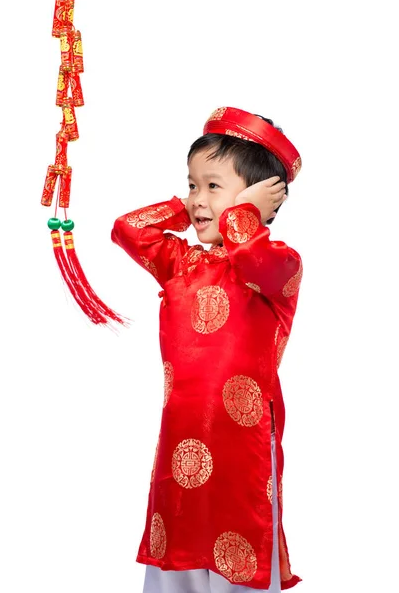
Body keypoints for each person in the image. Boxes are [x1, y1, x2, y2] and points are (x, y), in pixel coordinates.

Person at [111, 107, 303, 592]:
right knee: (176, 547)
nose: (198, 200)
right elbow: (129, 229)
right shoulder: (181, 264)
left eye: (212, 186)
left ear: (263, 201)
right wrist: (190, 203)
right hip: (182, 443)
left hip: (243, 447)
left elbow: (250, 252)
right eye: (193, 185)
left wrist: (245, 215)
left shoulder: (278, 266)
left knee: (239, 551)